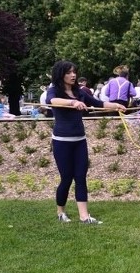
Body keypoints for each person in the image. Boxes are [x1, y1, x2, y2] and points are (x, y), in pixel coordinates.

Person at [46, 60, 125, 224]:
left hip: (79, 140)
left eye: (74, 72)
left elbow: (99, 103)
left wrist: (116, 105)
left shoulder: (80, 92)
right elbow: (52, 102)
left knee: (81, 177)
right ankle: (60, 212)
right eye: (69, 72)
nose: (73, 75)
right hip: (62, 141)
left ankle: (84, 216)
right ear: (60, 74)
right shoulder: (54, 91)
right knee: (66, 178)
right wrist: (72, 102)